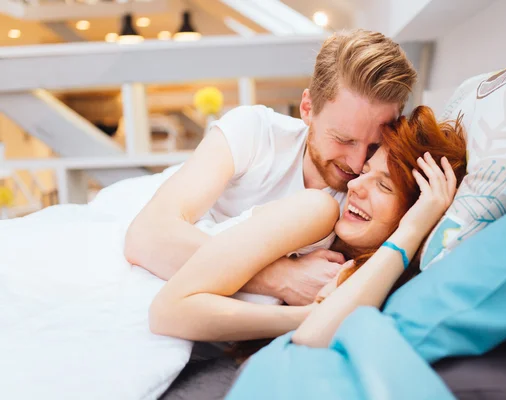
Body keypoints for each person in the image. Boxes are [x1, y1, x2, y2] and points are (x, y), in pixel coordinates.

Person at [124, 29, 417, 307]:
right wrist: (282, 277)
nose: (356, 164)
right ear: (307, 109)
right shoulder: (255, 132)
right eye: (343, 139)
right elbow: (147, 237)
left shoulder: (365, 204)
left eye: (375, 145)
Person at [148, 105, 468, 344]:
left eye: (383, 186)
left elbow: (317, 334)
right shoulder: (317, 209)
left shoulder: (365, 270)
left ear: (416, 210)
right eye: (365, 172)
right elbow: (168, 311)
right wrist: (300, 313)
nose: (355, 184)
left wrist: (412, 231)